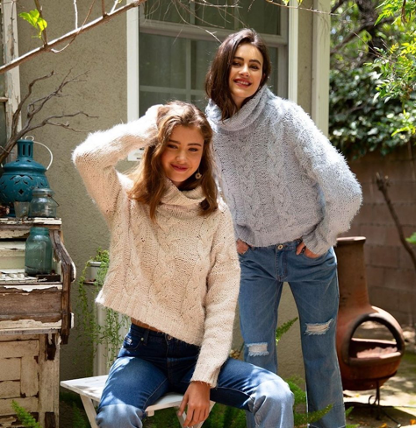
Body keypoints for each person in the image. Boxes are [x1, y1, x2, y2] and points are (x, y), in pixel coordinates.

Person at [72, 101, 294, 428]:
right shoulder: (127, 202)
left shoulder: (215, 215)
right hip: (143, 354)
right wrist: (145, 129)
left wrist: (203, 378)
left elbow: (221, 302)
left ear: (203, 155)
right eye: (172, 146)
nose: (181, 158)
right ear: (157, 147)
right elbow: (87, 158)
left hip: (199, 352)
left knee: (275, 394)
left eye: (193, 149)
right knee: (117, 416)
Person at [205, 29, 363, 428]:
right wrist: (231, 235)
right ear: (222, 67)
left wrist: (321, 239)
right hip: (253, 261)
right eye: (237, 62)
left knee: (320, 355)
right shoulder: (208, 130)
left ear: (264, 74)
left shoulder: (287, 119)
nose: (245, 71)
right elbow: (205, 194)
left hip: (307, 256)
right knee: (257, 356)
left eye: (254, 65)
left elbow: (346, 190)